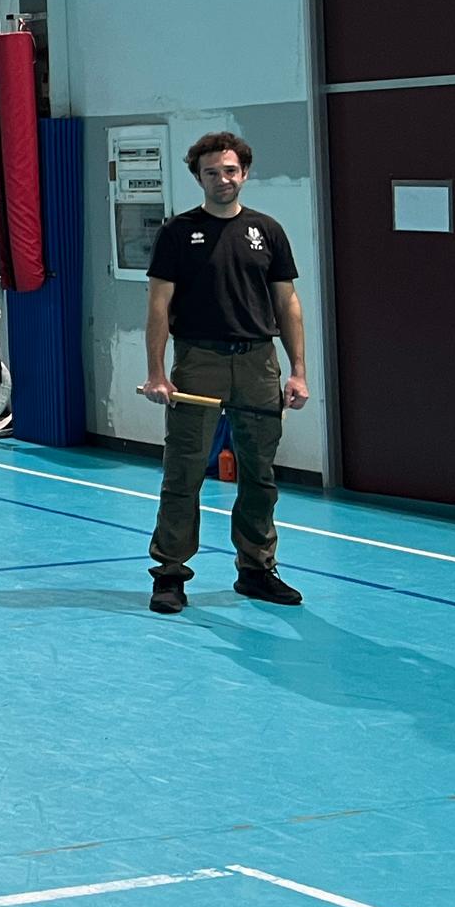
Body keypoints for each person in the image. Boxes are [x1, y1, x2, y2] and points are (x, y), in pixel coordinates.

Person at [139, 130, 309, 615]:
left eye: (230, 170)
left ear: (245, 174)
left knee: (260, 472)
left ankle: (256, 569)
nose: (222, 179)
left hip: (259, 363)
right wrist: (157, 373)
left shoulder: (268, 231)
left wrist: (297, 371)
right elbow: (158, 305)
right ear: (198, 177)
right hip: (199, 363)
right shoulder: (177, 233)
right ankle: (170, 573)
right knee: (184, 470)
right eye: (212, 172)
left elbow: (287, 303)